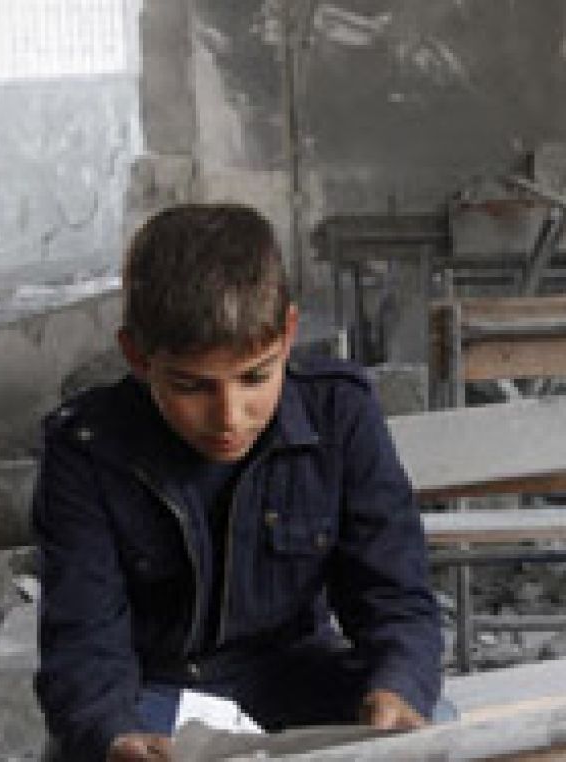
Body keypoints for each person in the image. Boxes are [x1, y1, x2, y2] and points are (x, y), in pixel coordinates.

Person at [32, 203, 443, 761]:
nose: (230, 414)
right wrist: (113, 734)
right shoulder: (87, 450)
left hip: (296, 679)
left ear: (289, 332)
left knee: (432, 729)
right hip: (154, 698)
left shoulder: (340, 415)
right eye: (191, 386)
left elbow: (395, 595)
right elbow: (83, 637)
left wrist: (398, 686)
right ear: (137, 356)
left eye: (256, 377)